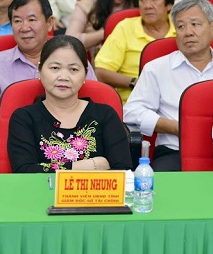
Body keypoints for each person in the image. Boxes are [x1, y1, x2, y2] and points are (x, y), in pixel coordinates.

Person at [0, 0, 89, 173]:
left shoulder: (74, 62)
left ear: (50, 23)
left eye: (32, 20)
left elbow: (97, 107)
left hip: (75, 155)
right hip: (9, 156)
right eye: (17, 21)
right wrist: (6, 145)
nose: (24, 27)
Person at [124, 0, 213, 171]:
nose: (188, 32)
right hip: (174, 151)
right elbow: (131, 112)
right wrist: (175, 127)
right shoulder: (157, 68)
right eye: (181, 26)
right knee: (163, 184)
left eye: (195, 24)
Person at [8, 35, 131, 173]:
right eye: (55, 68)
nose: (64, 77)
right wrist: (90, 165)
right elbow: (24, 171)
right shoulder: (24, 118)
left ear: (85, 74)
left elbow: (123, 170)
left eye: (73, 69)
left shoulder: (105, 115)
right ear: (40, 70)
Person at [95, 0, 176, 104]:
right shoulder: (125, 27)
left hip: (173, 102)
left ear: (169, 5)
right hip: (133, 102)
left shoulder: (181, 30)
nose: (147, 5)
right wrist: (135, 82)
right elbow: (100, 72)